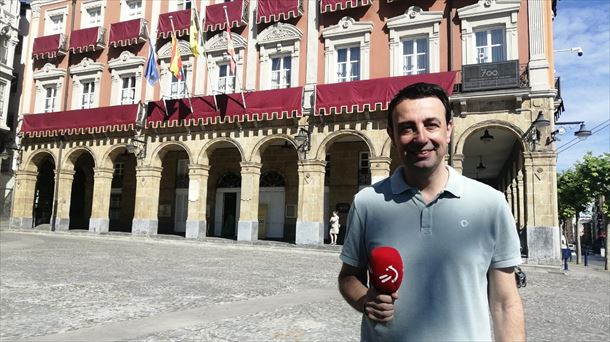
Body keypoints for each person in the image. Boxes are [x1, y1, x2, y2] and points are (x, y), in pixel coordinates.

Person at [338, 82, 525, 341]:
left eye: (431, 124)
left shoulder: (491, 204)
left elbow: (505, 303)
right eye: (407, 128)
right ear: (391, 135)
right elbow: (349, 277)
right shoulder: (367, 202)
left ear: (448, 130)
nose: (421, 137)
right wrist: (365, 300)